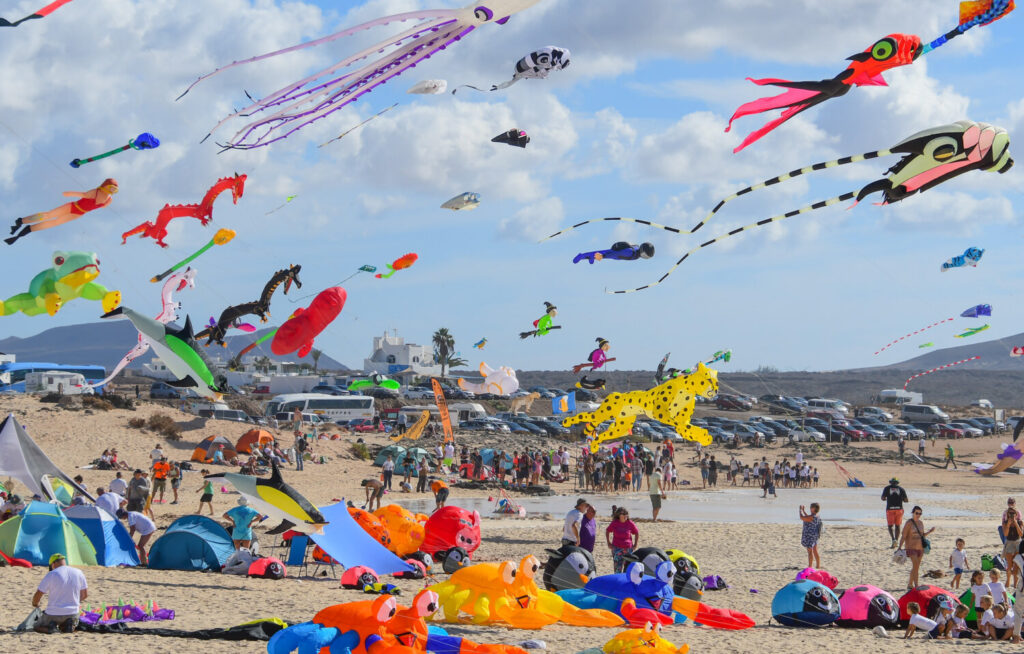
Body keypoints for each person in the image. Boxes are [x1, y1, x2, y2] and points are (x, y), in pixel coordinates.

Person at [31, 553, 88, 633]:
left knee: (36, 626)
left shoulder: (52, 574)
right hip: (73, 612)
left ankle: (51, 629)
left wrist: (35, 604)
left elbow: (39, 594)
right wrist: (73, 601)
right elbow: (85, 595)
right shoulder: (79, 572)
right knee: (66, 622)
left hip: (53, 613)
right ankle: (67, 625)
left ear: (53, 564)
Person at [898, 505, 934, 590]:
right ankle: (917, 585)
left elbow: (922, 535)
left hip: (920, 548)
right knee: (915, 566)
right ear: (913, 513)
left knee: (916, 567)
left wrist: (930, 532)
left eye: (920, 513)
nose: (918, 515)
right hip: (911, 547)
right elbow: (903, 536)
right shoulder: (909, 523)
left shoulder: (921, 523)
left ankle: (910, 584)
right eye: (916, 513)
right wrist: (899, 546)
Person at [605, 507, 639, 573]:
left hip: (628, 549)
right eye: (623, 514)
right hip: (617, 548)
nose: (625, 515)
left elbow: (636, 533)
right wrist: (608, 543)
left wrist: (635, 544)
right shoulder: (614, 523)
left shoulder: (630, 523)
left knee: (628, 569)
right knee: (617, 569)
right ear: (619, 515)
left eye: (626, 514)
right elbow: (607, 531)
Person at [882, 478, 908, 548]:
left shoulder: (887, 488)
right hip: (899, 509)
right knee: (897, 526)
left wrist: (887, 498)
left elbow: (883, 498)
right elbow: (906, 500)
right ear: (897, 483)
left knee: (890, 526)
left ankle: (893, 539)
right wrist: (901, 499)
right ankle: (896, 540)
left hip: (890, 509)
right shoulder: (901, 489)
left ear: (891, 482)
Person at [1003, 505, 1023, 589]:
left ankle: (1015, 585)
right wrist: (1008, 524)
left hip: (1018, 543)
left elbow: (1021, 534)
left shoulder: (1020, 522)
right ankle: (1008, 581)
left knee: (1016, 565)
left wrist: (1015, 523)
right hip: (1009, 543)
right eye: (1009, 513)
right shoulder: (1005, 522)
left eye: (1013, 513)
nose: (1011, 515)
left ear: (1016, 514)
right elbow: (1006, 534)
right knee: (1009, 565)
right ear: (1007, 514)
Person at [799, 503, 822, 569]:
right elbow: (807, 517)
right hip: (815, 535)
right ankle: (818, 565)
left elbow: (802, 518)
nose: (810, 508)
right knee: (815, 551)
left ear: (814, 509)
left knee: (810, 551)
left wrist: (800, 510)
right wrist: (803, 511)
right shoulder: (816, 515)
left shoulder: (812, 517)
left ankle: (810, 566)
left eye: (811, 507)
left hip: (810, 535)